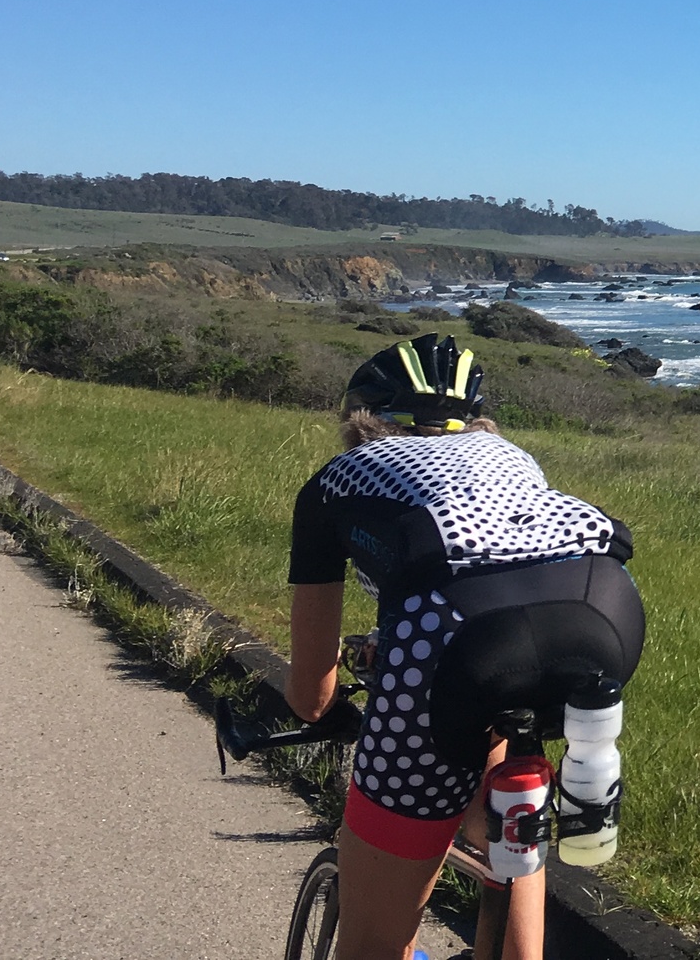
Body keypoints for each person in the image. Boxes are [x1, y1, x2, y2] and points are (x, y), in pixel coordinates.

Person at [285, 333, 644, 960]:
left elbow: (312, 692)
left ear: (358, 422)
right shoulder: (510, 454)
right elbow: (510, 576)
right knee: (505, 806)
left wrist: (330, 712)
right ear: (475, 420)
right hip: (605, 611)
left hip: (453, 634)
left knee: (371, 943)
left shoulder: (334, 483)